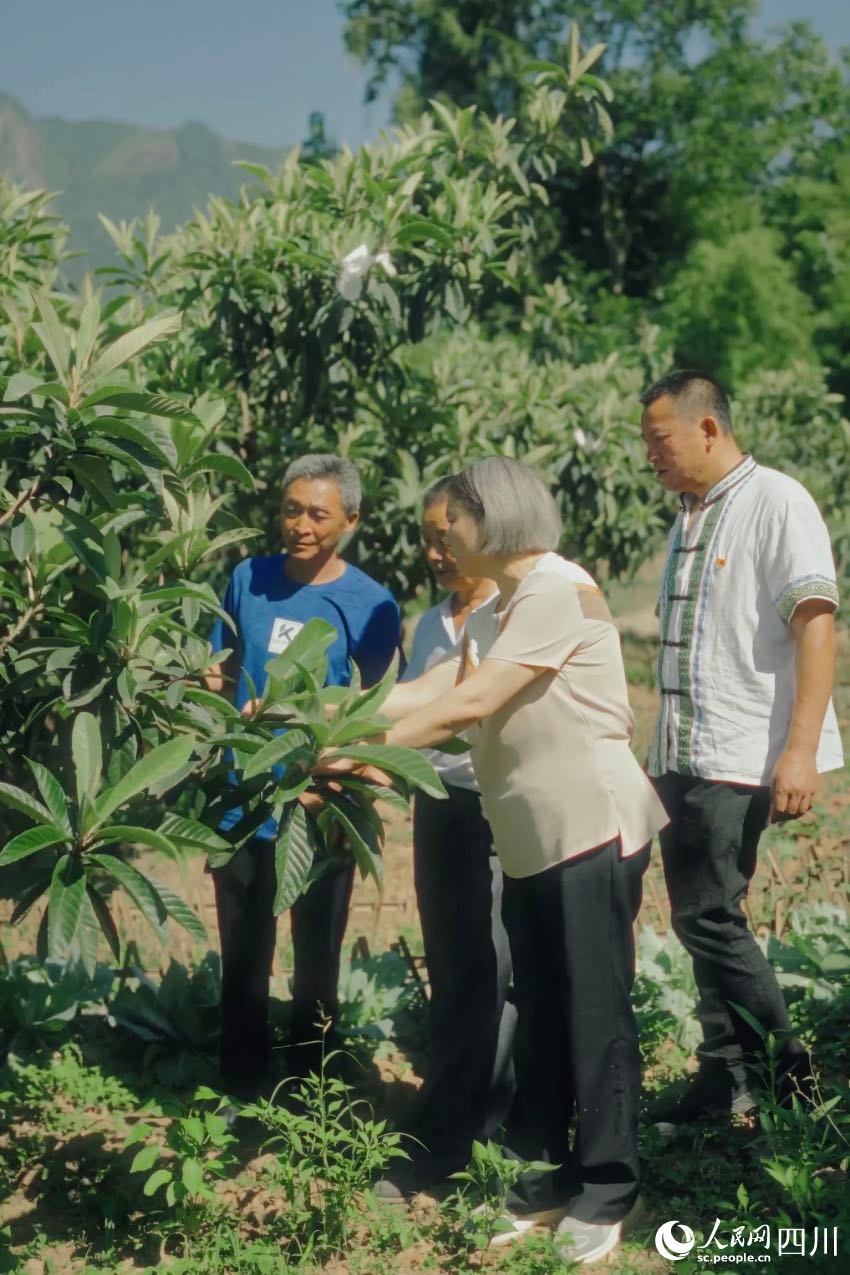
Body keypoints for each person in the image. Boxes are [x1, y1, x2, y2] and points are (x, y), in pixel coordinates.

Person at [328, 457, 668, 1265]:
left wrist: (335, 748)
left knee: (595, 1012)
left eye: (453, 524)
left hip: (590, 827)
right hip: (529, 841)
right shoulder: (499, 610)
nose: (440, 540)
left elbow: (470, 706)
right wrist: (331, 709)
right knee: (544, 1009)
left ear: (496, 518)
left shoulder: (555, 586)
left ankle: (610, 1185)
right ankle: (547, 1175)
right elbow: (437, 684)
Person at [639, 369, 843, 1132]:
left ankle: (789, 1081)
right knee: (700, 918)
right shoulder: (685, 521)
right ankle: (724, 1080)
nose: (651, 457)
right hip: (682, 754)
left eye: (659, 440)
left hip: (738, 752)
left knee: (713, 916)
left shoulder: (777, 501)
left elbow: (815, 623)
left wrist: (800, 751)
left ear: (708, 429)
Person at [206, 454, 403, 1100]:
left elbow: (379, 711)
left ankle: (309, 1086)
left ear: (351, 518)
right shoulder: (249, 578)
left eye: (318, 513)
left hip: (320, 804)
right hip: (242, 798)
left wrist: (356, 793)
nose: (301, 524)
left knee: (316, 951)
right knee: (243, 950)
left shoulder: (371, 603)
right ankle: (239, 1083)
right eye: (292, 509)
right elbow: (224, 671)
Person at [376, 478, 516, 1202]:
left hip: (497, 810)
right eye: (425, 536)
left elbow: (456, 710)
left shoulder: (512, 613)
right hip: (441, 808)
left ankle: (468, 1132)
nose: (434, 549)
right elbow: (414, 698)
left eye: (445, 534)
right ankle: (465, 1120)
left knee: (488, 974)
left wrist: (357, 743)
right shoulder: (432, 621)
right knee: (456, 969)